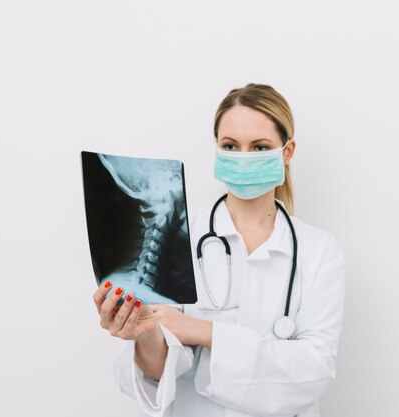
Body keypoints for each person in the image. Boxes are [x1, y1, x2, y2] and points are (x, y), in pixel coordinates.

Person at [92, 83, 346, 417]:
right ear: (216, 148)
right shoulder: (183, 235)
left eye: (259, 147)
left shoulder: (319, 252)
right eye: (231, 145)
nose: (243, 159)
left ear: (287, 151)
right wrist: (146, 335)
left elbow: (312, 373)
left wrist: (204, 333)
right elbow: (162, 373)